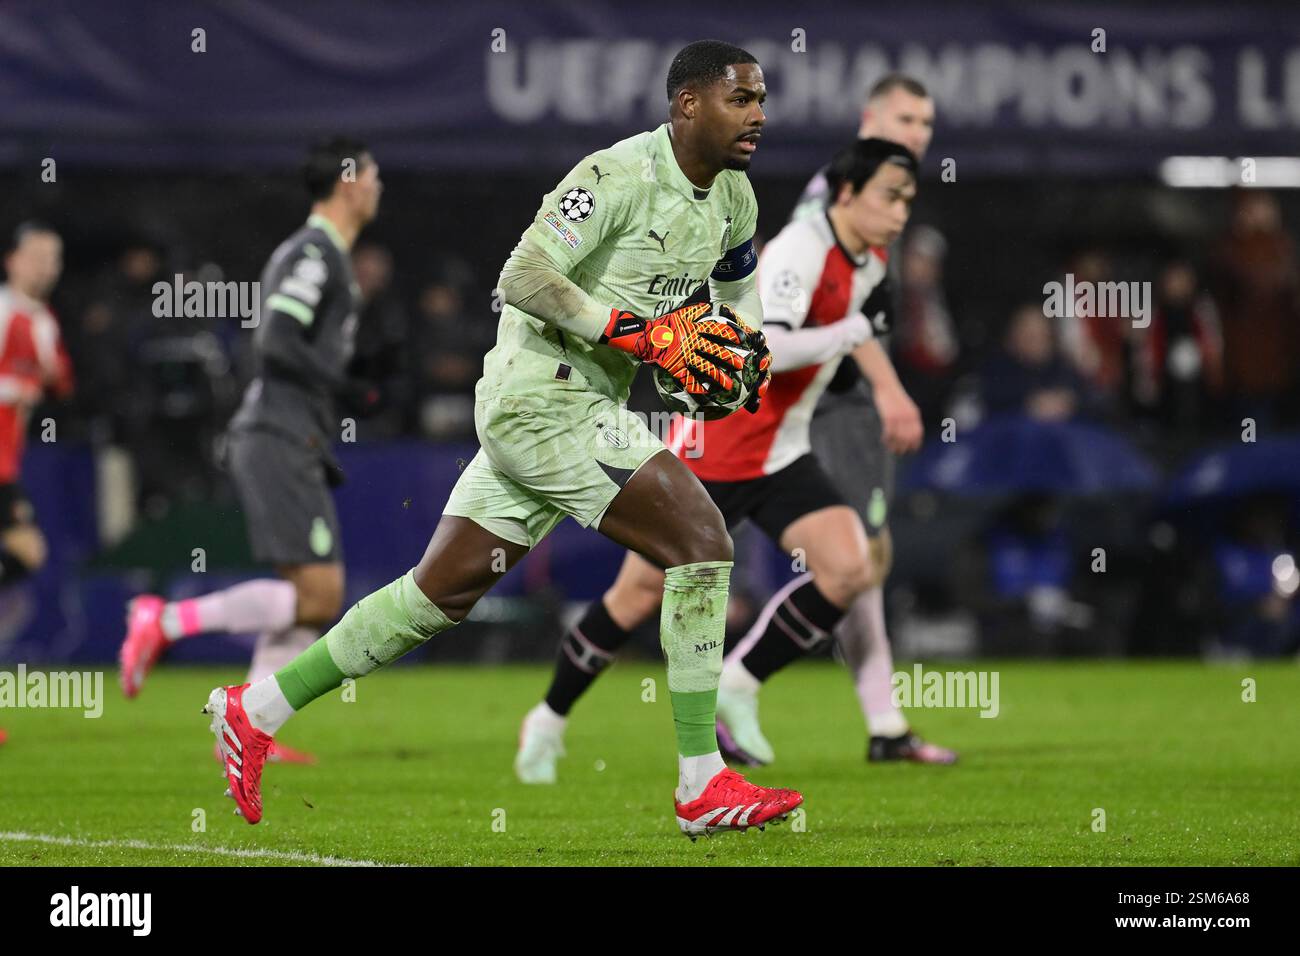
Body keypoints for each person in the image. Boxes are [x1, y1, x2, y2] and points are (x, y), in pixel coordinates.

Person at [201, 40, 803, 840]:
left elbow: (737, 293)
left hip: (574, 404)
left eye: (762, 99)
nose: (758, 114)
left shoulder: (735, 198)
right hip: (542, 397)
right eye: (741, 98)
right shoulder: (614, 176)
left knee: (434, 596)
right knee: (702, 544)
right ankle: (702, 783)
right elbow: (521, 275)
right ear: (687, 104)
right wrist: (643, 335)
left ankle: (256, 709)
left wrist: (747, 354)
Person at [515, 138, 925, 781]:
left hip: (780, 451)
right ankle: (548, 718)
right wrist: (847, 336)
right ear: (847, 194)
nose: (901, 214)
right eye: (890, 197)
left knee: (851, 568)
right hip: (713, 449)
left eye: (909, 201)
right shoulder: (801, 249)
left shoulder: (867, 261)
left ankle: (740, 679)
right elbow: (768, 348)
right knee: (636, 594)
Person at [119, 137, 385, 766]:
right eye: (373, 175)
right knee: (320, 595)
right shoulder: (316, 252)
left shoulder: (327, 255)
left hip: (292, 433)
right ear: (348, 182)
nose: (379, 186)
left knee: (302, 595)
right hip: (278, 433)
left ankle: (250, 730)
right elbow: (274, 340)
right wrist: (341, 381)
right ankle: (165, 621)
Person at [0, 222, 76, 749]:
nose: (47, 265)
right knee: (27, 551)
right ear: (12, 261)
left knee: (27, 553)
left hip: (7, 466)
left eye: (56, 256)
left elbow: (62, 383)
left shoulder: (42, 322)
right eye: (38, 255)